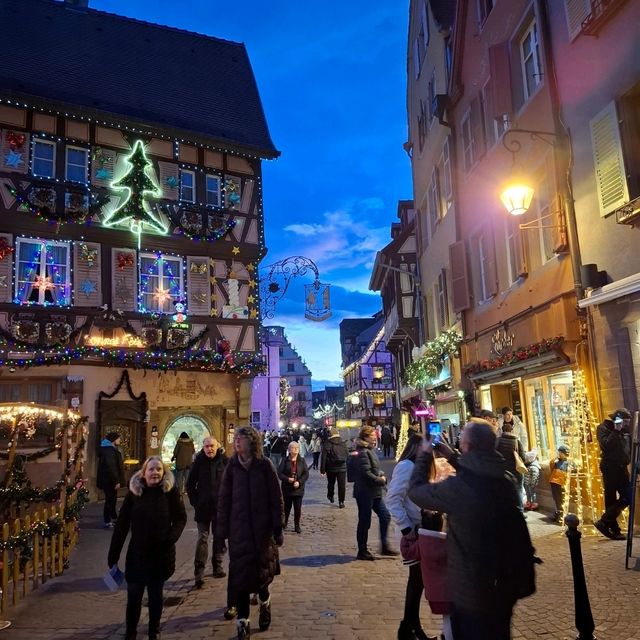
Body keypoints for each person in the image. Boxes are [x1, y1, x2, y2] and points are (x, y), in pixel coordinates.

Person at [408, 420, 530, 640]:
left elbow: (416, 491)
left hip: (471, 585)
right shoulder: (506, 477)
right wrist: (452, 453)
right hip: (505, 580)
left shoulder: (458, 489)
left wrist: (426, 453)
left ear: (467, 446)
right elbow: (480, 468)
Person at [216, 426, 285, 640]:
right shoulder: (232, 467)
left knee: (262, 577)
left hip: (262, 533)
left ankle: (265, 602)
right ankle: (243, 623)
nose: (237, 442)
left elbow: (276, 498)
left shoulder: (264, 466)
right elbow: (224, 501)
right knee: (241, 580)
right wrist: (220, 534)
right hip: (239, 533)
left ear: (251, 442)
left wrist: (277, 527)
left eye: (242, 439)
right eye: (236, 439)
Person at [108, 456, 187, 640]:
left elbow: (181, 518)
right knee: (134, 595)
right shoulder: (135, 493)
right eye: (151, 469)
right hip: (138, 553)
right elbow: (122, 525)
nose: (155, 473)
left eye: (159, 469)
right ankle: (131, 631)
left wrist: (171, 538)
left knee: (155, 595)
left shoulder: (170, 492)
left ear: (164, 472)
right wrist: (113, 554)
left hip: (160, 553)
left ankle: (154, 629)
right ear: (144, 472)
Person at [387, 434, 441, 640]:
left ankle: (410, 628)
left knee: (418, 581)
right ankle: (410, 629)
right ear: (415, 448)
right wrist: (407, 529)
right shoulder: (407, 467)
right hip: (414, 532)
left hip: (423, 529)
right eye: (424, 447)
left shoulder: (420, 467)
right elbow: (392, 499)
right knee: (416, 581)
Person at [186, 437, 228, 589]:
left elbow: (230, 483)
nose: (209, 449)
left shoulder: (224, 461)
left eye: (212, 446)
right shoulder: (198, 462)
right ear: (203, 448)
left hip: (220, 507)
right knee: (202, 538)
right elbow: (190, 484)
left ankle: (217, 565)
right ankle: (199, 572)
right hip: (203, 507)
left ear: (217, 446)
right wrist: (195, 502)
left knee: (218, 536)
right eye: (206, 446)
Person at [353, 425, 397, 561]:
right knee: (364, 521)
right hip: (365, 492)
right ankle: (362, 550)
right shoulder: (363, 452)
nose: (375, 437)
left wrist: (380, 473)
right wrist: (380, 479)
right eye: (372, 435)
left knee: (385, 516)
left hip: (375, 491)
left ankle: (384, 545)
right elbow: (365, 473)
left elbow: (373, 469)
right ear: (366, 437)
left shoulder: (369, 450)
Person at [594, 408, 632, 540]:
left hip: (622, 467)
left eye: (628, 422)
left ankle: (604, 522)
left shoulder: (625, 431)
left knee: (628, 496)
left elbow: (628, 449)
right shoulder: (603, 428)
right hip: (610, 467)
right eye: (625, 422)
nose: (627, 425)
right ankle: (614, 530)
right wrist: (616, 430)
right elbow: (606, 445)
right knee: (610, 498)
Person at [277, 441, 309, 533]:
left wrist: (299, 482)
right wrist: (287, 479)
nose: (295, 449)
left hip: (298, 489)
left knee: (297, 508)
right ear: (289, 449)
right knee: (287, 507)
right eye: (293, 448)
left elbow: (306, 474)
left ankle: (297, 525)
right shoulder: (284, 460)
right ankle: (285, 522)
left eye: (297, 448)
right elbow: (280, 473)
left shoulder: (302, 460)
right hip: (287, 488)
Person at [495, 419, 526, 511]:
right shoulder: (517, 441)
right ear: (512, 430)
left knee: (505, 490)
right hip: (517, 470)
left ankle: (507, 510)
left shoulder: (498, 441)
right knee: (519, 489)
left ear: (502, 430)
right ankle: (520, 509)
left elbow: (495, 454)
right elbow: (523, 457)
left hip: (504, 470)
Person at [97, 431, 125, 528]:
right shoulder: (109, 451)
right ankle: (107, 520)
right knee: (110, 500)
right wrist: (116, 481)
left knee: (112, 499)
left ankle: (113, 517)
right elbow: (111, 467)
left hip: (108, 480)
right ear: (113, 440)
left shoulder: (109, 449)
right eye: (118, 438)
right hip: (109, 481)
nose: (119, 440)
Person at [320, 427, 349, 508]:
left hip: (331, 468)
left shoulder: (327, 443)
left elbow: (323, 457)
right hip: (342, 467)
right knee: (341, 485)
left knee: (331, 483)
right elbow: (347, 455)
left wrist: (322, 470)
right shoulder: (343, 442)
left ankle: (330, 496)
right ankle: (341, 502)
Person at [548, 445, 570, 523]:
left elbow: (571, 470)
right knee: (556, 498)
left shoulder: (568, 462)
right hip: (554, 482)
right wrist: (553, 462)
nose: (559, 454)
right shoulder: (556, 461)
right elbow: (551, 468)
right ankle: (558, 514)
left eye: (561, 452)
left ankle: (562, 515)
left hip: (562, 482)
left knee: (561, 499)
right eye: (559, 452)